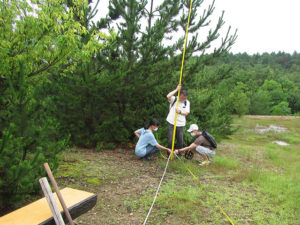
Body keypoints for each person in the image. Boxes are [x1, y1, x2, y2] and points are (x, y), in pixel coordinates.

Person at [166, 84, 190, 152]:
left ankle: (178, 153)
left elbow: (187, 113)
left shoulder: (187, 102)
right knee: (170, 140)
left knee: (180, 140)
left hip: (181, 124)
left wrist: (180, 112)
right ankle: (169, 154)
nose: (183, 99)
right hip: (171, 122)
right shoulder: (174, 99)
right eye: (182, 97)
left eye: (185, 98)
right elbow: (168, 96)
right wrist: (176, 89)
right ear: (180, 95)